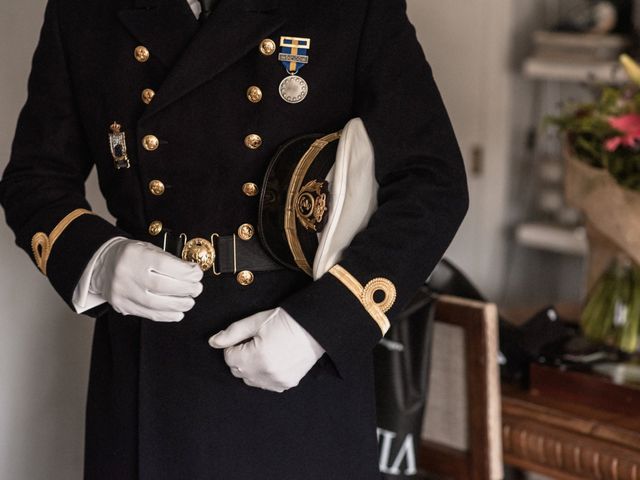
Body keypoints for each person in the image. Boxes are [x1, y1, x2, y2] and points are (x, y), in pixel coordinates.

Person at [0, 0, 468, 478]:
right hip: (146, 362)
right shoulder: (82, 10)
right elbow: (34, 179)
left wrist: (324, 326)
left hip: (293, 356)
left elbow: (432, 182)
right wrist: (97, 260)